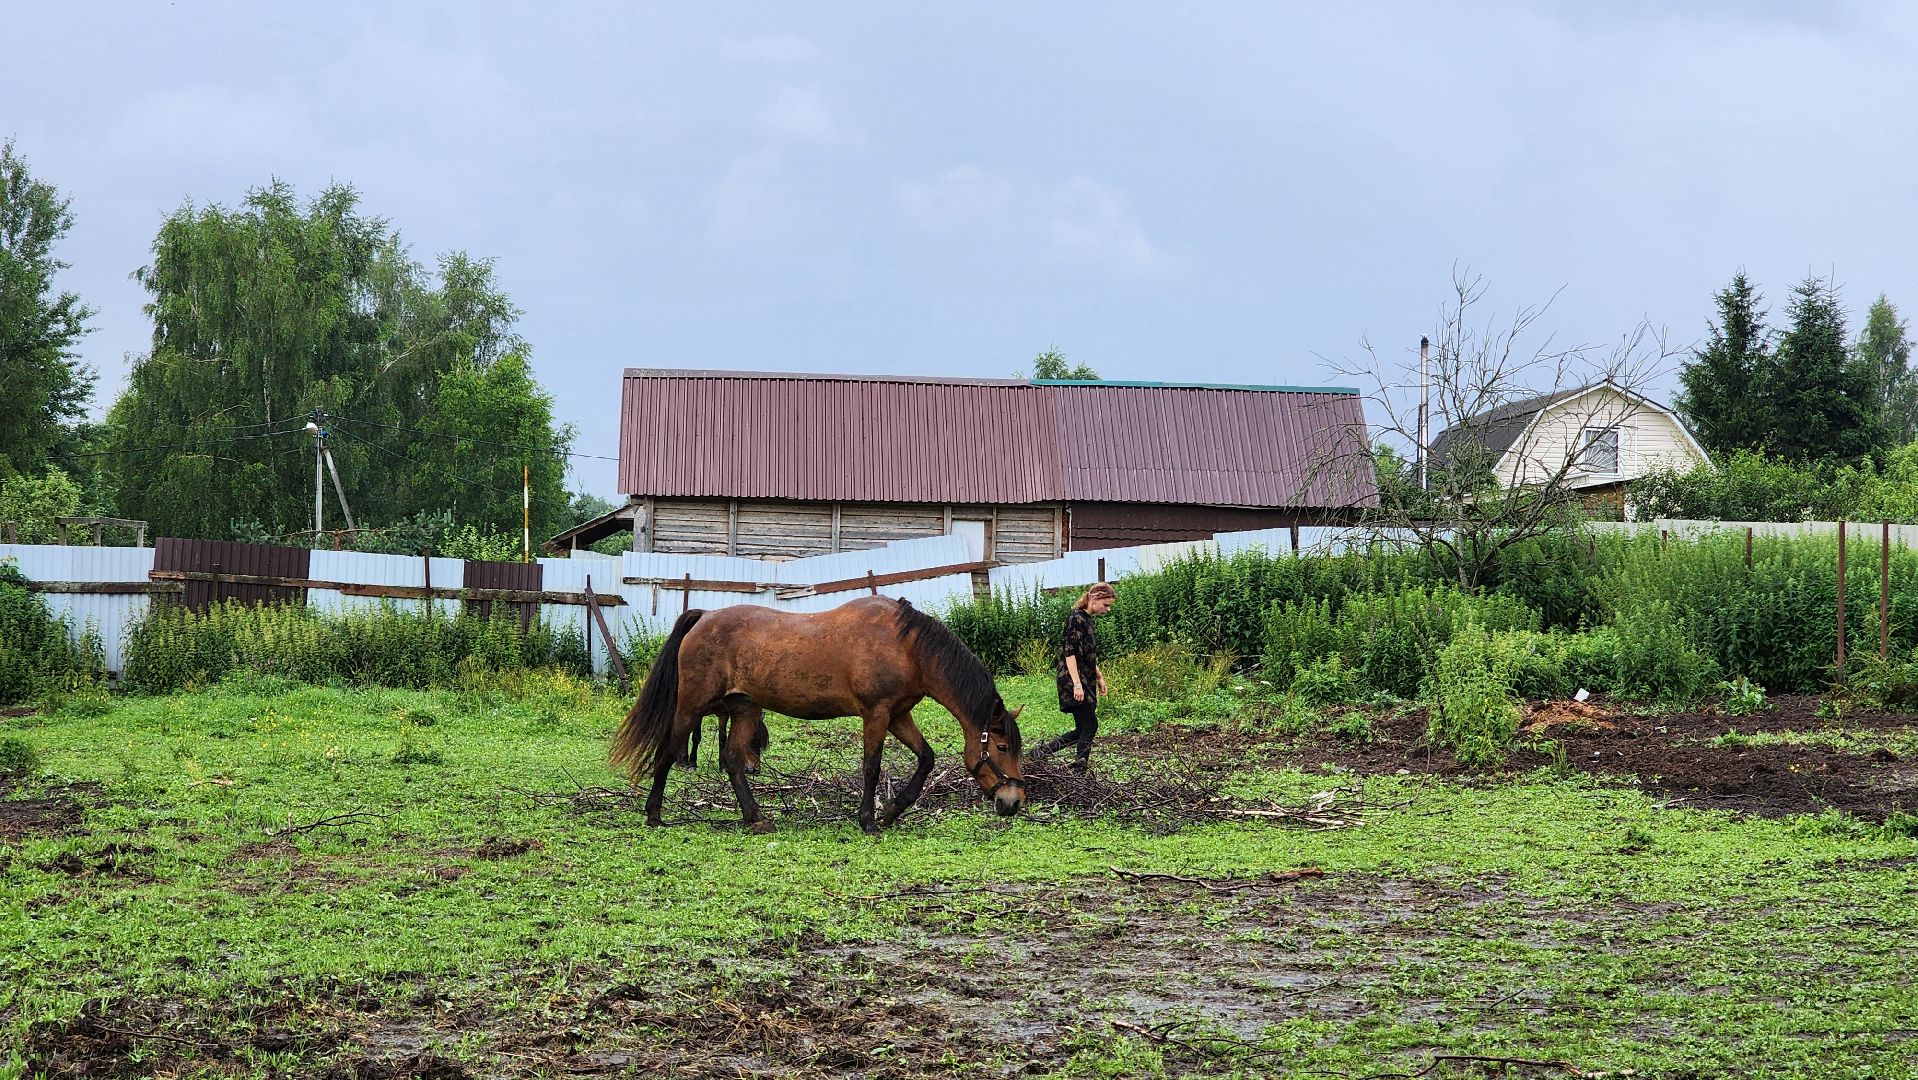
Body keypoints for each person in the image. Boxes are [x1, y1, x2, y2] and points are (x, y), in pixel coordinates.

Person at [1034, 581, 1115, 773]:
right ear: (1094, 598)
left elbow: (1087, 654)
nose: (1108, 609)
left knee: (1082, 729)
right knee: (1090, 724)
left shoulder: (1086, 619)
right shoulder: (1075, 619)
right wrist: (1077, 685)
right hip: (1072, 679)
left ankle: (1040, 753)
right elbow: (1069, 653)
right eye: (1106, 604)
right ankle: (1079, 770)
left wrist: (1100, 677)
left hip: (1085, 678)